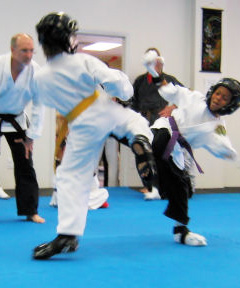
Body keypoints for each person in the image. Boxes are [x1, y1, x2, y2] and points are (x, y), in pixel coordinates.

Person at [32, 12, 156, 259]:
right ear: (69, 38)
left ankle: (67, 235)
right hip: (103, 108)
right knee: (135, 122)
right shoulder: (81, 61)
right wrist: (123, 91)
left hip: (80, 124)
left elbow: (43, 103)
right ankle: (140, 140)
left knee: (69, 178)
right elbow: (116, 82)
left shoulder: (40, 77)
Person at [144, 50, 240, 246]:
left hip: (180, 150)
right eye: (218, 93)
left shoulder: (218, 126)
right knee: (159, 147)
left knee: (183, 188)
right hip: (164, 130)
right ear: (212, 92)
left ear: (230, 104)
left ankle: (180, 231)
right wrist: (154, 71)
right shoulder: (195, 98)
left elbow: (221, 145)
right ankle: (155, 180)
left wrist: (230, 154)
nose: (218, 99)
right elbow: (169, 90)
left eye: (225, 98)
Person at [0, 33, 45, 226]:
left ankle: (30, 211)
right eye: (24, 51)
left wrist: (32, 136)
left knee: (25, 164)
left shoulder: (35, 71)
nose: (29, 55)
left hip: (17, 120)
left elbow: (39, 104)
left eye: (31, 51)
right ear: (12, 50)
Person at [130, 48, 187, 197]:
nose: (155, 64)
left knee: (163, 154)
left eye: (157, 61)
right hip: (143, 121)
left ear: (161, 61)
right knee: (142, 153)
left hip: (162, 122)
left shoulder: (169, 80)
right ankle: (149, 186)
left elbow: (186, 97)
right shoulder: (140, 81)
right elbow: (133, 102)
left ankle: (164, 186)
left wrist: (172, 106)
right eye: (151, 61)